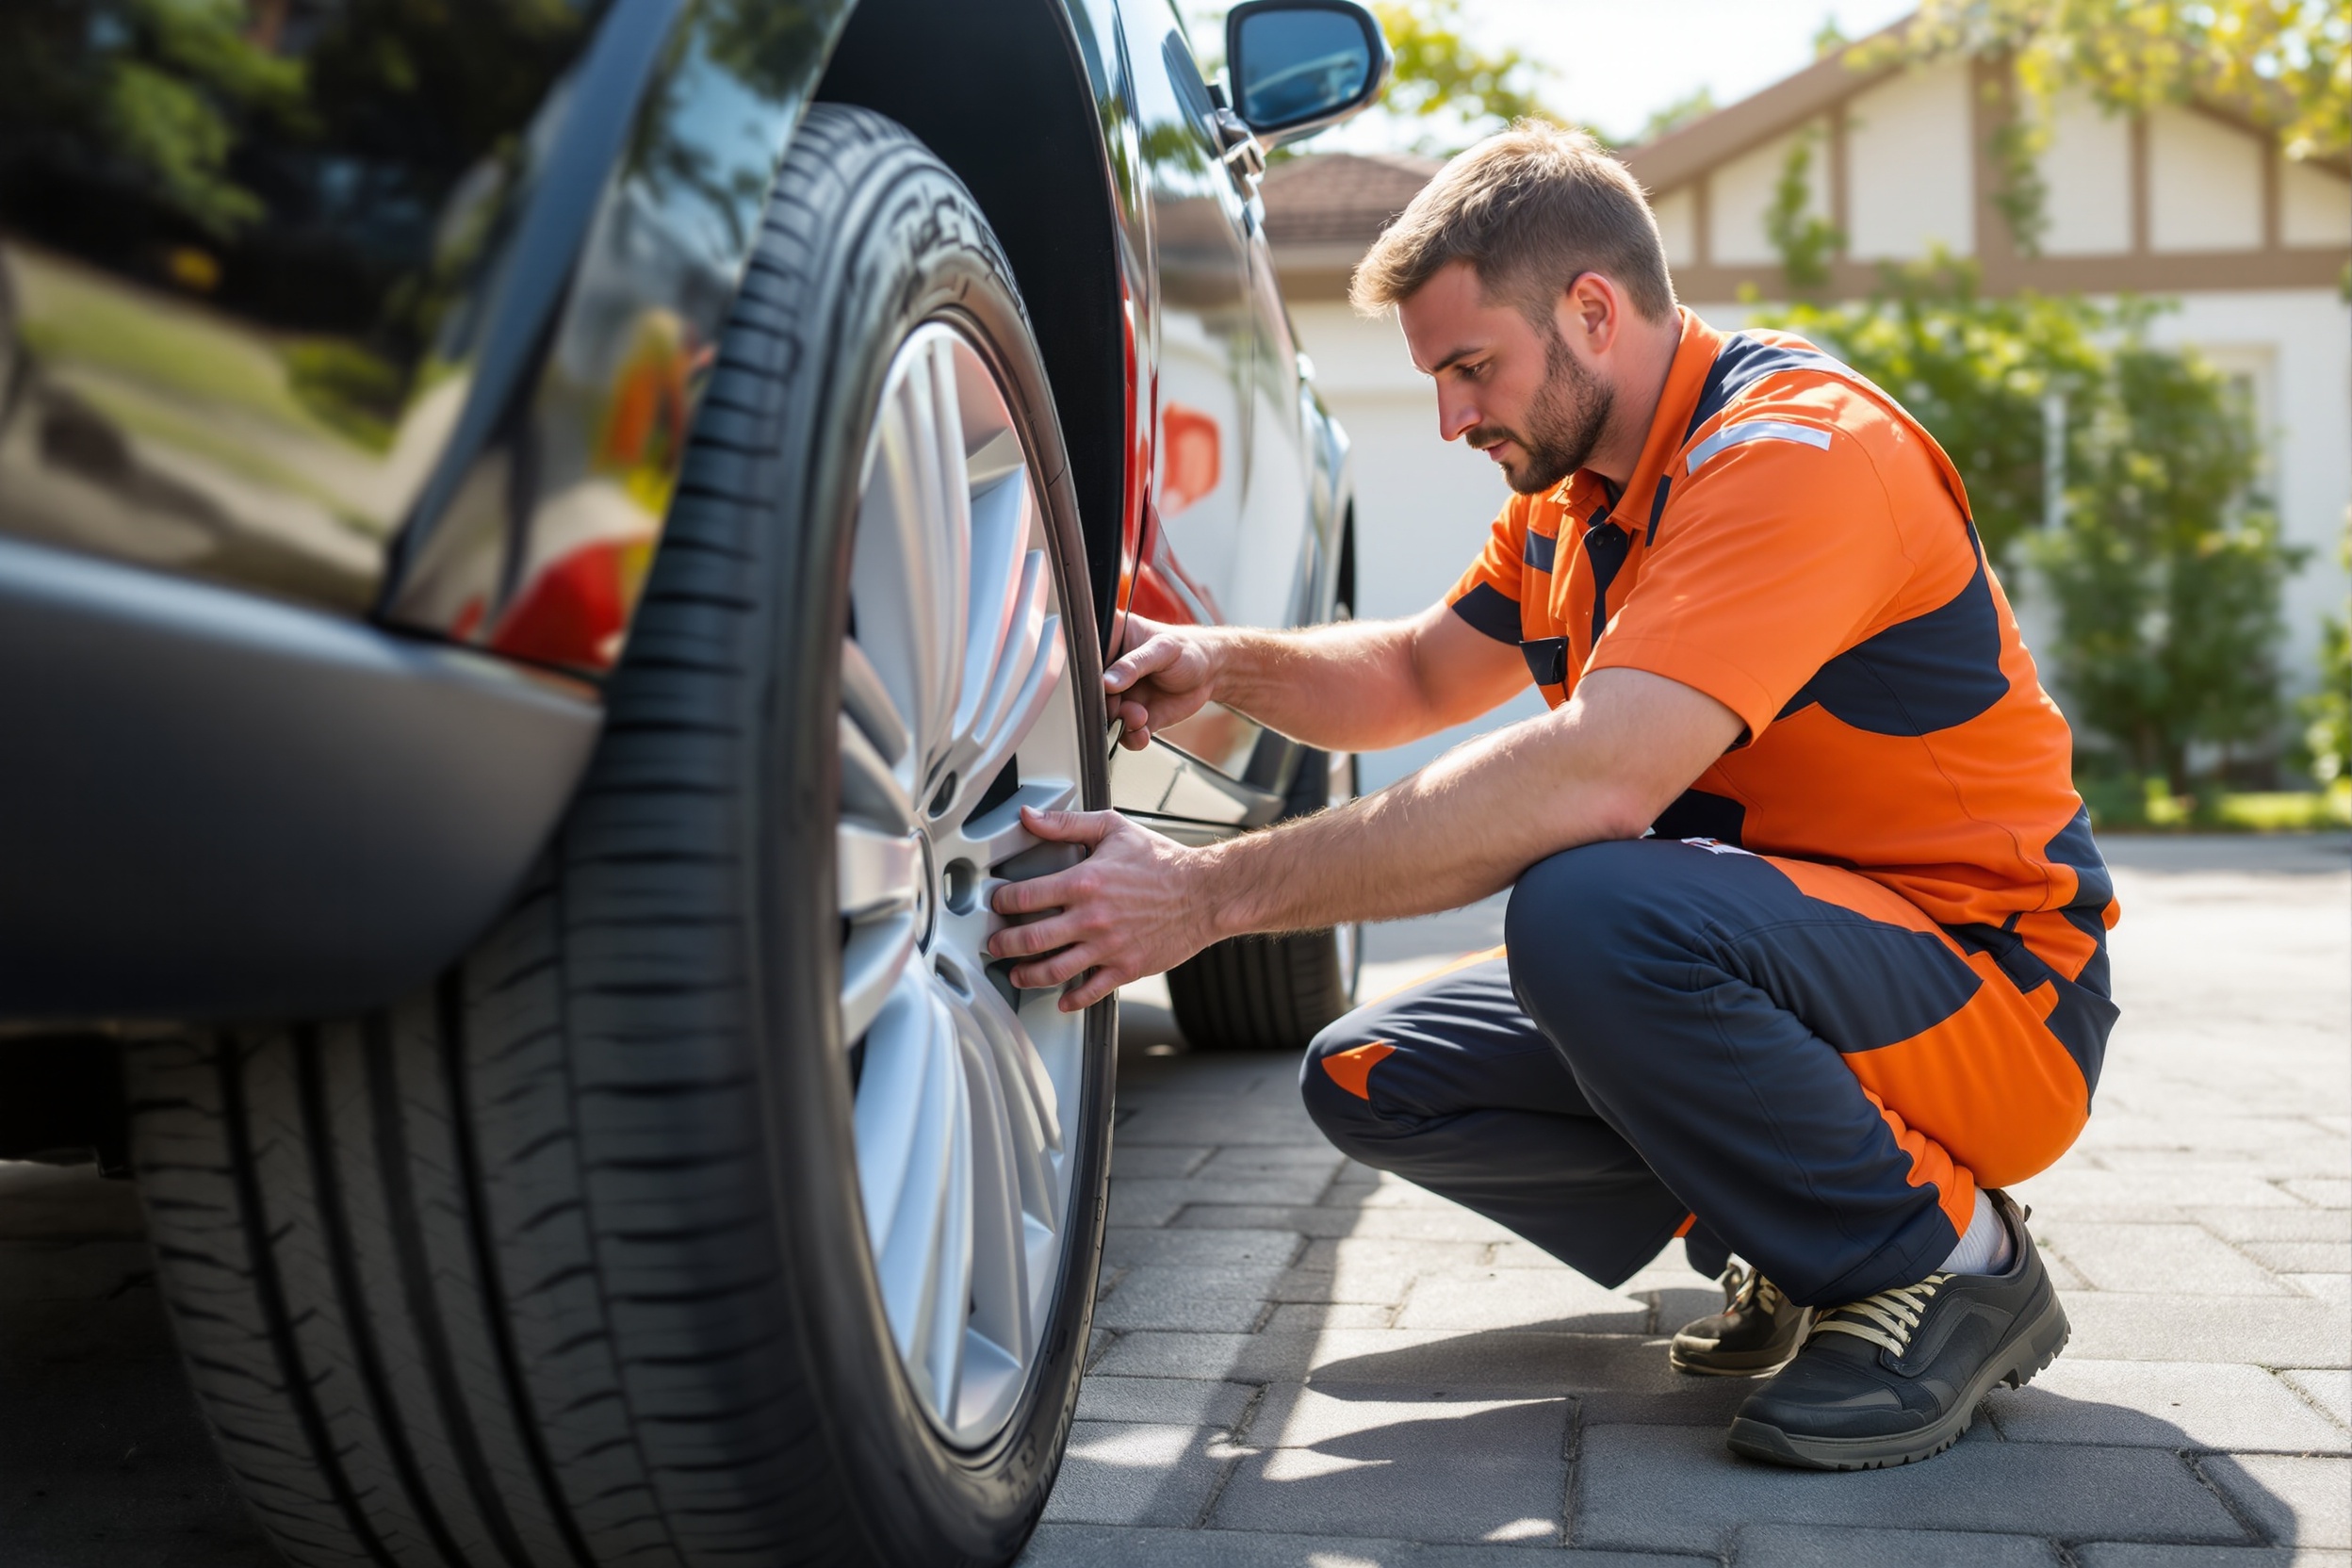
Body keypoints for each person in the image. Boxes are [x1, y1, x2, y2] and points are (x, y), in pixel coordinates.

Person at [986, 122, 2117, 1472]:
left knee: (1587, 907)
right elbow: (1412, 672)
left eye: (1474, 367)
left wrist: (1203, 897)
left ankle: (1946, 1261)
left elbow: (1596, 776)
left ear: (1592, 309)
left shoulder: (1799, 457)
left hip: (1989, 992)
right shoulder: (1571, 494)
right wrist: (1223, 663)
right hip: (1791, 954)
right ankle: (1797, 1227)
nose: (1455, 416)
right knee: (1375, 1075)